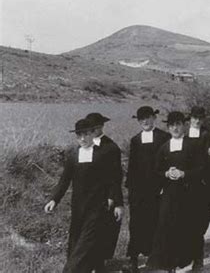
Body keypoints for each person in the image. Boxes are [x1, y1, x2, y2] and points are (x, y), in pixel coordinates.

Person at [44, 119, 124, 273]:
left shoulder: (103, 154)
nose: (82, 139)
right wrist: (54, 199)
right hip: (78, 208)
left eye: (86, 134)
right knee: (76, 243)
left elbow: (114, 180)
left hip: (98, 208)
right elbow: (64, 180)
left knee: (85, 244)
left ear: (92, 134)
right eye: (79, 135)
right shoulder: (73, 155)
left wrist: (117, 203)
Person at [146, 111, 207, 273]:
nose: (175, 128)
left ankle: (197, 260)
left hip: (191, 192)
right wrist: (166, 173)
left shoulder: (194, 145)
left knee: (193, 226)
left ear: (184, 126)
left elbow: (202, 169)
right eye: (172, 125)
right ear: (168, 127)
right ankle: (170, 264)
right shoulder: (164, 148)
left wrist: (184, 174)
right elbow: (157, 170)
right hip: (171, 193)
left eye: (178, 124)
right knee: (168, 226)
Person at [126, 106, 171, 272]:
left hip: (158, 188)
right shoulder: (135, 140)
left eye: (148, 118)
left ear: (154, 118)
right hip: (138, 190)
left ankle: (158, 258)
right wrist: (130, 190)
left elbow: (169, 162)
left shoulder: (164, 137)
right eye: (141, 119)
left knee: (159, 222)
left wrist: (165, 185)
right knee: (136, 224)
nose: (145, 121)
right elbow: (132, 167)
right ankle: (133, 259)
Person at [85, 112, 124, 262]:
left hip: (105, 196)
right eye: (90, 127)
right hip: (88, 197)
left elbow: (116, 176)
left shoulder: (111, 147)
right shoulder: (84, 145)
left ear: (102, 126)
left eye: (96, 126)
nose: (93, 129)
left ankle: (100, 262)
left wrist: (113, 198)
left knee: (103, 230)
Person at [184, 106, 210, 270]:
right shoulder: (183, 134)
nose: (196, 121)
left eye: (199, 118)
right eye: (194, 118)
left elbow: (209, 159)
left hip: (201, 183)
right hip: (184, 183)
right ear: (190, 119)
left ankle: (198, 259)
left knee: (198, 224)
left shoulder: (207, 135)